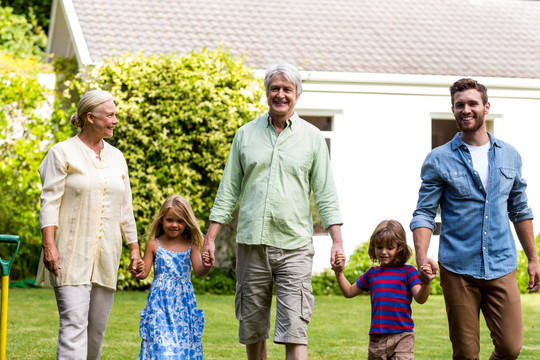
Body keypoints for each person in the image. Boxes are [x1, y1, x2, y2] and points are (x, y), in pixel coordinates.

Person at [202, 63, 344, 360]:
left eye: (287, 89)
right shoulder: (245, 135)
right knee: (253, 331)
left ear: (297, 95)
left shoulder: (313, 138)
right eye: (275, 88)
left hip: (294, 247)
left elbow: (325, 193)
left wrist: (337, 241)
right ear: (267, 93)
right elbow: (228, 190)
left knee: (295, 329)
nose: (280, 94)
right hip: (252, 245)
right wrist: (210, 237)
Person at [410, 78, 540, 359]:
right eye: (459, 105)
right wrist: (422, 258)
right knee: (466, 354)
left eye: (472, 103)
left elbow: (520, 209)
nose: (466, 109)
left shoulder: (510, 155)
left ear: (486, 107)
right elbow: (424, 213)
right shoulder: (438, 159)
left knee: (510, 347)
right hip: (458, 268)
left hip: (501, 263)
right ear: (453, 110)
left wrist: (532, 258)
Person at [37, 89, 142, 359]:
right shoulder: (61, 153)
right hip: (69, 254)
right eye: (110, 115)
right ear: (90, 117)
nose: (115, 120)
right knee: (73, 326)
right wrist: (49, 245)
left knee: (96, 331)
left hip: (107, 255)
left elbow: (125, 207)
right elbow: (49, 201)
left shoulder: (117, 157)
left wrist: (134, 248)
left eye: (115, 115)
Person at [333, 220, 432, 360]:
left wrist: (426, 283)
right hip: (377, 339)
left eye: (390, 248)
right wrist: (339, 273)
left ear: (400, 248)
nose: (383, 252)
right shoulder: (372, 274)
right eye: (379, 247)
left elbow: (420, 299)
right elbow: (348, 292)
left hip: (403, 337)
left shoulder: (408, 272)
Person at [135, 195, 210, 359]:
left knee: (183, 343)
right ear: (162, 220)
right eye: (170, 220)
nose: (175, 225)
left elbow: (199, 270)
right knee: (160, 342)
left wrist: (207, 266)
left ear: (187, 223)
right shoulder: (153, 244)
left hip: (183, 304)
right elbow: (143, 274)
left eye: (180, 221)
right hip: (159, 303)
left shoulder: (192, 245)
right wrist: (136, 268)